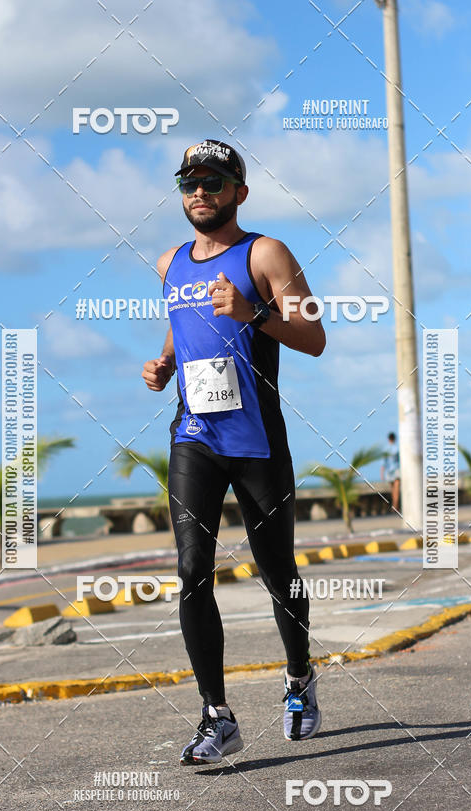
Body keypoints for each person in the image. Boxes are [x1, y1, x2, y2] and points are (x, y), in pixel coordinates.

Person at [141, 139, 326, 765]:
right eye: (190, 184)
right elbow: (182, 314)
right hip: (194, 435)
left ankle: (299, 679)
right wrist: (166, 361)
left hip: (256, 441)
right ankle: (216, 716)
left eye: (214, 184)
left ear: (238, 193)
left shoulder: (267, 253)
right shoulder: (170, 261)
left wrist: (253, 314)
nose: (200, 193)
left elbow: (315, 336)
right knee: (193, 570)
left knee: (278, 572)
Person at [381, 431, 400, 511]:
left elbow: (383, 463)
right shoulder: (397, 448)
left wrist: (382, 474)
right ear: (395, 439)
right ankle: (395, 505)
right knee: (396, 489)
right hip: (396, 470)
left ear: (388, 439)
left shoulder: (386, 449)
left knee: (393, 489)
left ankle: (395, 505)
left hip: (388, 471)